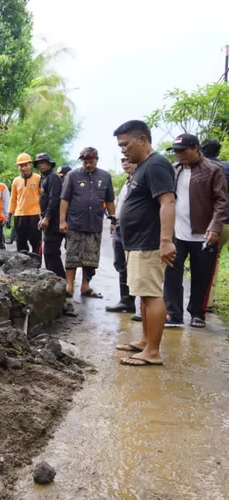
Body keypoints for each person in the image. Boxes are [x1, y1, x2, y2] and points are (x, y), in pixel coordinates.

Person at [113, 120, 176, 367]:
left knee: (151, 294)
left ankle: (152, 352)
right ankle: (145, 341)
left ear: (142, 140)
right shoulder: (142, 167)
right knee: (142, 293)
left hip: (149, 242)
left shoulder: (157, 165)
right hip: (136, 243)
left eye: (126, 144)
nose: (123, 150)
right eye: (120, 146)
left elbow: (167, 202)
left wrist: (166, 241)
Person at [162, 134, 228, 328]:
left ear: (196, 148)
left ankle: (197, 313)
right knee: (172, 274)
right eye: (175, 151)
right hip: (177, 233)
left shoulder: (213, 170)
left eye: (182, 150)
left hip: (203, 234)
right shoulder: (174, 170)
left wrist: (215, 227)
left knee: (201, 275)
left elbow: (221, 201)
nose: (178, 154)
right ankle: (173, 313)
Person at [59, 147, 115, 298]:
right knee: (72, 255)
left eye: (90, 161)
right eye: (85, 162)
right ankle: (69, 286)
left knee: (90, 258)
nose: (88, 165)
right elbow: (65, 199)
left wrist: (113, 219)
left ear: (97, 160)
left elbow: (109, 200)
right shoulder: (72, 176)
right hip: (75, 223)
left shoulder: (105, 176)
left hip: (94, 223)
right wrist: (62, 221)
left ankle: (85, 286)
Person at [105, 158, 137, 313]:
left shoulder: (141, 180)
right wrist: (113, 221)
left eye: (129, 161)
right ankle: (126, 301)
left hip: (133, 229)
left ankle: (137, 303)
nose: (125, 163)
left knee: (134, 265)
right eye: (123, 160)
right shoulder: (127, 181)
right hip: (119, 227)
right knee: (120, 264)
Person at [202, 139, 229, 310]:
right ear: (219, 152)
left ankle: (202, 303)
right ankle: (207, 302)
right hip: (225, 222)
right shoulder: (226, 167)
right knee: (213, 260)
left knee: (202, 260)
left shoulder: (199, 168)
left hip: (202, 224)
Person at [35, 153, 65, 278]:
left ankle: (60, 280)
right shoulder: (43, 178)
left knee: (51, 252)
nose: (41, 165)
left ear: (49, 163)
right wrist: (42, 217)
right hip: (47, 220)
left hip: (54, 221)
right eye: (38, 163)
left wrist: (47, 218)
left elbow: (54, 199)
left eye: (43, 162)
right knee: (47, 252)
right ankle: (52, 280)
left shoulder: (53, 177)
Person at [9, 152, 42, 255]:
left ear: (30, 165)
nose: (23, 168)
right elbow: (13, 199)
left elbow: (42, 197)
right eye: (20, 165)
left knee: (36, 242)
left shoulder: (38, 178)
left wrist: (44, 215)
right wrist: (9, 214)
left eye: (25, 165)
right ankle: (23, 266)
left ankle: (37, 265)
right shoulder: (16, 181)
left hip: (34, 215)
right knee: (21, 243)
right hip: (19, 215)